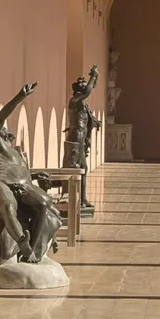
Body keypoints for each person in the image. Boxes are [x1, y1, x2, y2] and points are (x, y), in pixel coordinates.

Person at [0, 81, 59, 262]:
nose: (5, 131)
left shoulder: (13, 152)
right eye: (0, 129)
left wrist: (34, 175)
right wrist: (20, 97)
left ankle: (31, 250)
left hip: (25, 187)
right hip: (2, 185)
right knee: (7, 206)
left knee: (42, 204)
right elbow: (1, 118)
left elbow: (19, 171)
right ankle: (22, 241)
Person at [63, 66, 100, 212]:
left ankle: (83, 199)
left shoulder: (83, 104)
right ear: (79, 90)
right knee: (75, 169)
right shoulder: (74, 100)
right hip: (75, 140)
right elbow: (87, 91)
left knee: (83, 169)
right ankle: (74, 200)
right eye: (84, 87)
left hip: (81, 140)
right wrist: (93, 76)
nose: (87, 89)